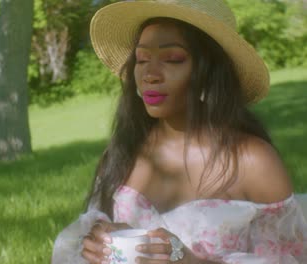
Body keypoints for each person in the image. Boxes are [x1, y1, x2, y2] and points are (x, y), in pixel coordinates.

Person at [52, 0, 307, 263]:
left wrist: (191, 261)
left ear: (209, 72)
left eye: (172, 59)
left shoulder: (253, 162)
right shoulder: (125, 152)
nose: (150, 74)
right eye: (141, 60)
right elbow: (100, 231)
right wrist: (98, 243)